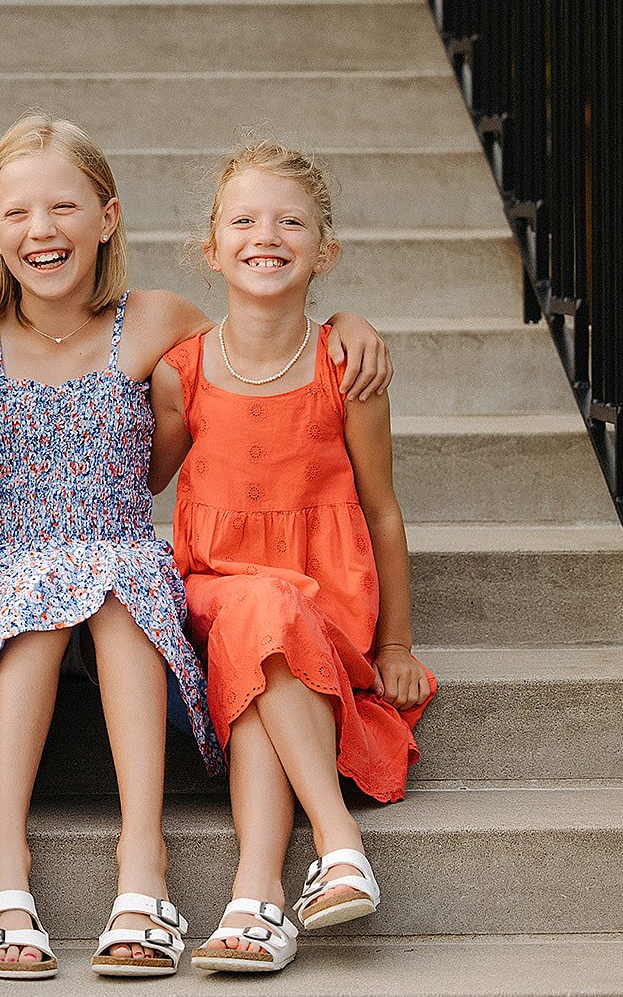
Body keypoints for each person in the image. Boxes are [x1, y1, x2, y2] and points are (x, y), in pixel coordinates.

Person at [0, 115, 394, 980]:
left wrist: (350, 319)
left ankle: (142, 864)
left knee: (114, 587)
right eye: (18, 213)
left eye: (65, 207)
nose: (41, 230)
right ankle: (4, 863)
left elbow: (254, 330)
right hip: (13, 561)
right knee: (42, 599)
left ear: (109, 217)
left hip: (125, 551)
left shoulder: (162, 325)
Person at [147, 138, 435, 974]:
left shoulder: (345, 366)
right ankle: (337, 843)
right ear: (212, 249)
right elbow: (139, 478)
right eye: (242, 220)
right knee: (251, 612)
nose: (264, 235)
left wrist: (394, 644)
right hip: (215, 583)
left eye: (289, 221)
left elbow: (381, 510)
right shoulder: (183, 372)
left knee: (263, 630)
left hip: (326, 598)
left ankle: (256, 896)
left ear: (324, 251)